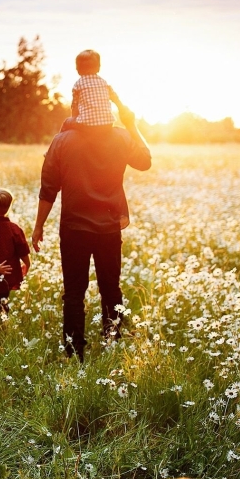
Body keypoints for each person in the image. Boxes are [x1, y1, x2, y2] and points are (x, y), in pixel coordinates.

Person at [32, 102, 151, 362]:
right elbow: (145, 161)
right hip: (109, 227)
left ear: (78, 106)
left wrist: (39, 225)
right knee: (111, 287)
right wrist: (130, 123)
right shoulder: (121, 135)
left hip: (74, 227)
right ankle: (113, 343)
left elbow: (48, 187)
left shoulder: (62, 140)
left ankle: (74, 353)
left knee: (74, 291)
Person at [64, 49, 123, 130]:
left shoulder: (78, 85)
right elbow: (115, 98)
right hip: (107, 124)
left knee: (66, 122)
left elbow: (75, 107)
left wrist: (75, 120)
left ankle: (60, 141)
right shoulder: (104, 83)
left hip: (86, 126)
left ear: (77, 68)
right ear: (99, 67)